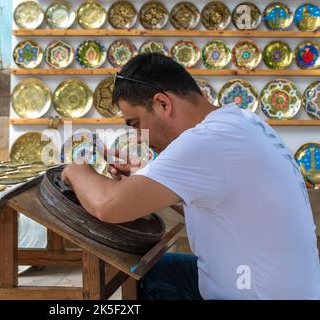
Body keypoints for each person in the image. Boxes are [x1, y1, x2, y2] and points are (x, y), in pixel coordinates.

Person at [61, 53, 320, 300]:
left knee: (144, 277)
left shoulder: (206, 141)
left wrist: (76, 169)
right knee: (154, 270)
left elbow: (108, 206)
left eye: (136, 123)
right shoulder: (240, 121)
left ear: (163, 103)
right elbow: (220, 208)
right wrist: (144, 182)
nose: (139, 137)